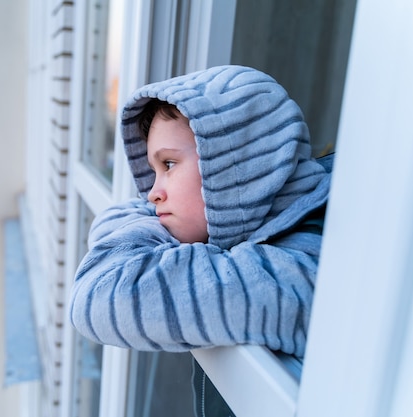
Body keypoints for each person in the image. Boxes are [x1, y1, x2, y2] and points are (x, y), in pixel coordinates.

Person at [69, 65, 332, 358]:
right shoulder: (264, 229)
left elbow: (99, 295)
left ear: (235, 167)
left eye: (168, 164)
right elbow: (115, 220)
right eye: (155, 170)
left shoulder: (303, 268)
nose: (153, 194)